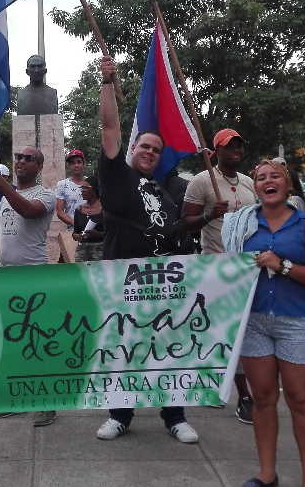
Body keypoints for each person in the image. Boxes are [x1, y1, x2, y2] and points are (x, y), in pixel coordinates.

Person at [94, 55, 211, 444]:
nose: (149, 152)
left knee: (169, 347)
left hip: (165, 283)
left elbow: (175, 229)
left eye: (156, 149)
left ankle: (175, 416)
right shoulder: (117, 176)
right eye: (144, 145)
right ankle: (120, 415)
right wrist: (108, 83)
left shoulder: (163, 189)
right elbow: (109, 127)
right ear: (132, 149)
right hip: (124, 283)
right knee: (124, 348)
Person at [222, 159, 305, 487]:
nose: (267, 181)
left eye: (276, 177)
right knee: (264, 398)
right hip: (254, 321)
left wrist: (282, 265)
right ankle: (267, 474)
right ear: (255, 187)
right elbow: (228, 270)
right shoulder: (242, 225)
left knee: (300, 400)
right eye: (261, 178)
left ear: (288, 185)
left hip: (297, 321)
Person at [0, 146, 57, 427]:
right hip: (6, 276)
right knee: (11, 341)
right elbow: (3, 237)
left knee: (36, 341)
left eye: (28, 159)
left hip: (33, 277)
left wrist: (0, 183)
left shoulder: (45, 195)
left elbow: (27, 212)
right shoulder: (4, 199)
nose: (21, 161)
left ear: (39, 166)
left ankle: (48, 402)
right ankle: (16, 399)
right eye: (19, 158)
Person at [182, 128, 255, 424]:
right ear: (217, 151)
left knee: (241, 334)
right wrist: (210, 216)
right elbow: (186, 223)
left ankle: (219, 383)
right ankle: (245, 396)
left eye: (239, 145)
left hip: (248, 268)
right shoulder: (202, 181)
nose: (235, 151)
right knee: (226, 332)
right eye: (229, 146)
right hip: (216, 267)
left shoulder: (250, 183)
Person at [71, 176, 104, 262]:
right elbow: (75, 231)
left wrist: (98, 234)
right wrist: (76, 236)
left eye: (85, 188)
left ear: (95, 189)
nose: (82, 191)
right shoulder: (79, 210)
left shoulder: (105, 210)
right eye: (81, 188)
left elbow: (112, 233)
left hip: (101, 251)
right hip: (82, 252)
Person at [55, 149, 87, 231]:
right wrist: (77, 224)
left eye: (79, 162)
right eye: (72, 163)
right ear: (68, 166)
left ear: (84, 164)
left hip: (93, 230)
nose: (76, 165)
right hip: (73, 230)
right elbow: (60, 212)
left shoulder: (92, 183)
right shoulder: (62, 184)